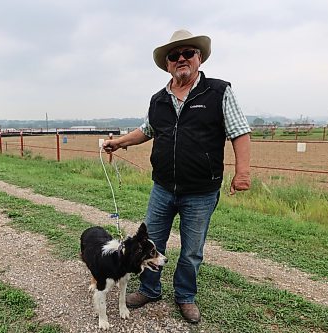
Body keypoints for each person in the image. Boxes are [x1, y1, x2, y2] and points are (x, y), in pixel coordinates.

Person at [102, 29, 251, 324]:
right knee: (150, 241)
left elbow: (240, 132)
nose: (181, 59)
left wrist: (243, 172)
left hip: (201, 191)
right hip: (163, 188)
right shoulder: (159, 100)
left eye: (188, 53)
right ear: (167, 63)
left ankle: (185, 296)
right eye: (174, 55)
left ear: (199, 58)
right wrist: (118, 142)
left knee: (192, 249)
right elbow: (147, 130)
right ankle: (149, 289)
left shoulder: (219, 92)